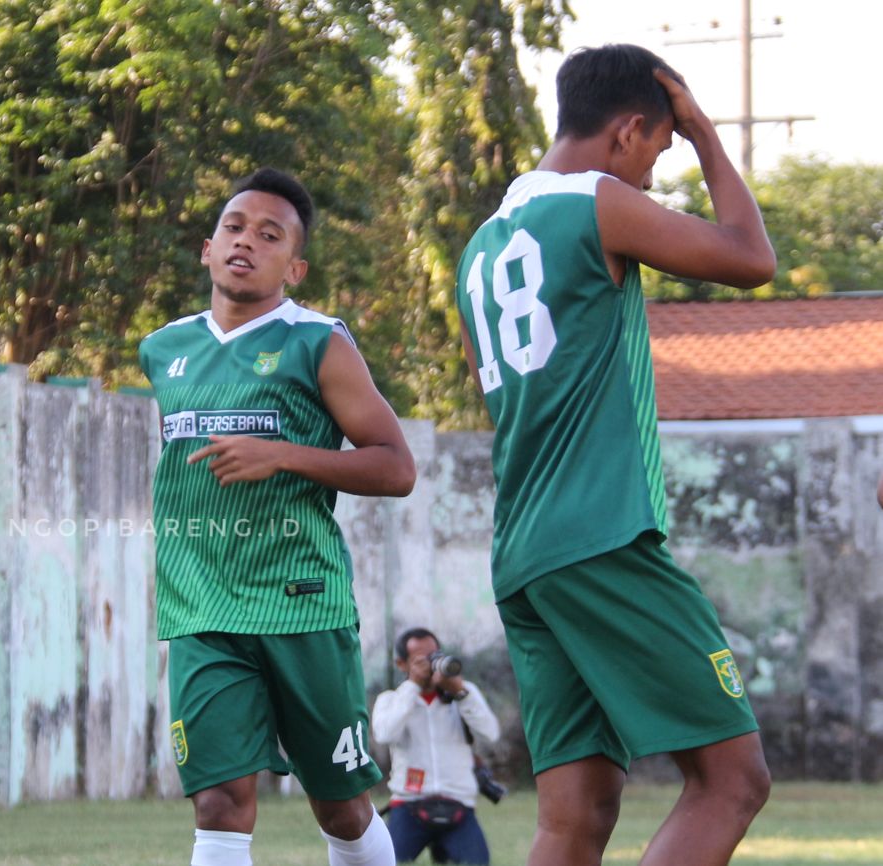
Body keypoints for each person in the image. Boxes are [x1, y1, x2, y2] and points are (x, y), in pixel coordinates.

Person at [453, 45, 774, 866]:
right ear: (628, 130)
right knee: (733, 780)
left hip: (524, 553)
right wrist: (705, 133)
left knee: (576, 814)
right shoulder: (595, 201)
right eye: (659, 152)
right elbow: (750, 258)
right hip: (601, 536)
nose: (653, 177)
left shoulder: (481, 250)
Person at [139, 168, 416, 866]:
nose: (245, 242)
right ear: (207, 249)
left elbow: (395, 466)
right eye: (234, 228)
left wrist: (283, 455)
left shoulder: (318, 342)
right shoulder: (164, 350)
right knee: (219, 803)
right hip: (201, 609)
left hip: (302, 606)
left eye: (269, 235)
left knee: (343, 807)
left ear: (294, 267)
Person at [372, 628, 500, 865]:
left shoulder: (464, 693)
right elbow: (384, 734)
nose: (431, 664)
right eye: (421, 659)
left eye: (435, 655)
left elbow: (490, 733)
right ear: (401, 664)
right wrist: (413, 686)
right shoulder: (391, 699)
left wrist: (459, 692)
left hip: (458, 803)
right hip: (409, 804)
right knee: (387, 861)